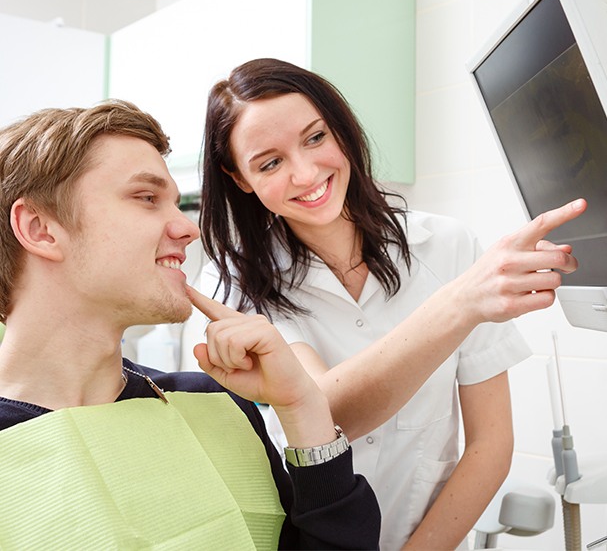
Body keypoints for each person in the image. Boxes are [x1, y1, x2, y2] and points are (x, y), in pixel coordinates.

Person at [197, 58, 587, 550]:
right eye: (270, 163)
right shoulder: (231, 281)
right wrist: (461, 302)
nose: (305, 173)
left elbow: (491, 443)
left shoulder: (447, 246)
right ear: (240, 178)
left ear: (341, 130)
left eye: (316, 138)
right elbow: (326, 412)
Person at [0, 99, 381, 550]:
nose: (187, 229)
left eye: (176, 204)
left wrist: (302, 406)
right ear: (41, 228)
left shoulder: (214, 404)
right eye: (146, 198)